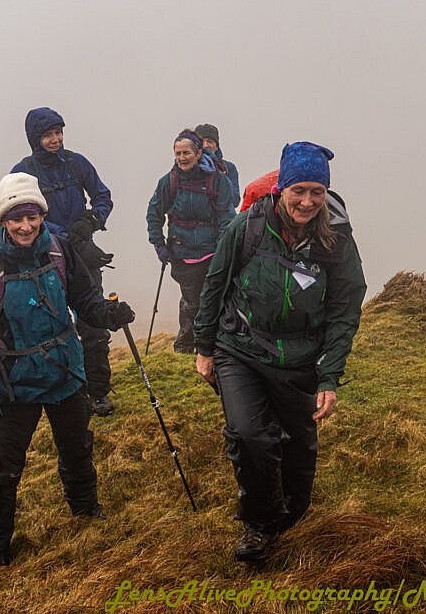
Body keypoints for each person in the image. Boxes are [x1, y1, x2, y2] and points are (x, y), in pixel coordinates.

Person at [193, 142, 367, 562]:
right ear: (281, 189)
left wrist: (329, 376)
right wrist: (204, 347)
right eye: (298, 191)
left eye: (316, 192)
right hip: (240, 349)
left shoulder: (335, 240)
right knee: (250, 435)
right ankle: (259, 524)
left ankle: (293, 513)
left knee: (299, 449)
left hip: (300, 359)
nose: (307, 201)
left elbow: (345, 308)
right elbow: (215, 284)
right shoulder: (247, 227)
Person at [0, 173, 135, 567]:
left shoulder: (58, 250)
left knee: (77, 448)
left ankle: (86, 512)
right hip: (15, 385)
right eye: (16, 218)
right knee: (5, 468)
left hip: (65, 373)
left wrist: (108, 313)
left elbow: (84, 297)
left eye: (32, 216)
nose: (25, 226)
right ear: (3, 220)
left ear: (41, 216)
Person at [11, 107, 117, 417]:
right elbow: (16, 214)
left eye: (58, 132)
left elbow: (103, 196)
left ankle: (98, 392)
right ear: (34, 138)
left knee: (93, 325)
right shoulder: (22, 173)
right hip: (42, 261)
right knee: (55, 329)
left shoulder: (76, 163)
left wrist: (92, 220)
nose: (55, 139)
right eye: (48, 135)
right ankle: (70, 394)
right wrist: (67, 235)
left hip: (84, 257)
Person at [146, 129, 235, 353]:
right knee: (191, 300)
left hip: (212, 252)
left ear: (198, 153)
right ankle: (186, 346)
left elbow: (226, 216)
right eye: (178, 153)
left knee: (212, 298)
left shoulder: (217, 180)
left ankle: (210, 347)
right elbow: (154, 213)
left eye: (186, 153)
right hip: (182, 252)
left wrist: (222, 248)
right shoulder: (169, 182)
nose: (182, 158)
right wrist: (159, 244)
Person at [195, 123, 241, 208]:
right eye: (201, 142)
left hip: (221, 215)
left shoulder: (228, 168)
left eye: (210, 141)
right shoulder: (187, 168)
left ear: (217, 147)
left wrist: (220, 178)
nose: (205, 145)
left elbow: (235, 200)